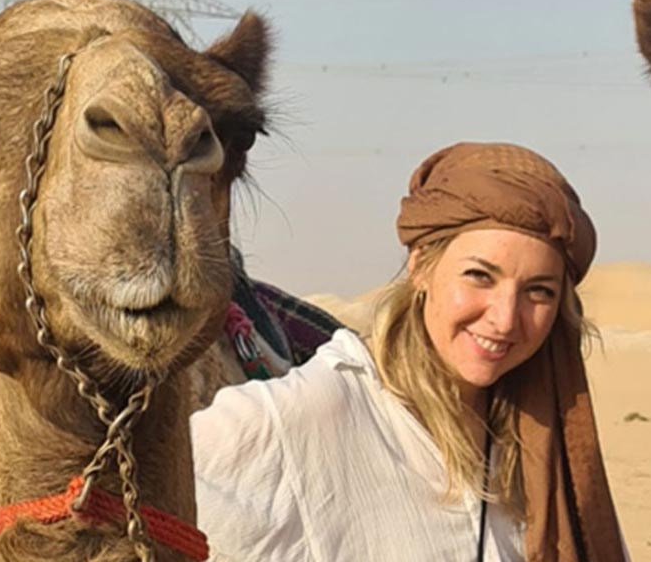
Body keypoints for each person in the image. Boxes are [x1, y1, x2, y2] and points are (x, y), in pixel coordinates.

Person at [191, 142, 628, 561]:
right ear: (421, 265)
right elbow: (141, 498)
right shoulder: (313, 412)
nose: (506, 319)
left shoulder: (543, 444)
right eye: (480, 276)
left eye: (539, 291)